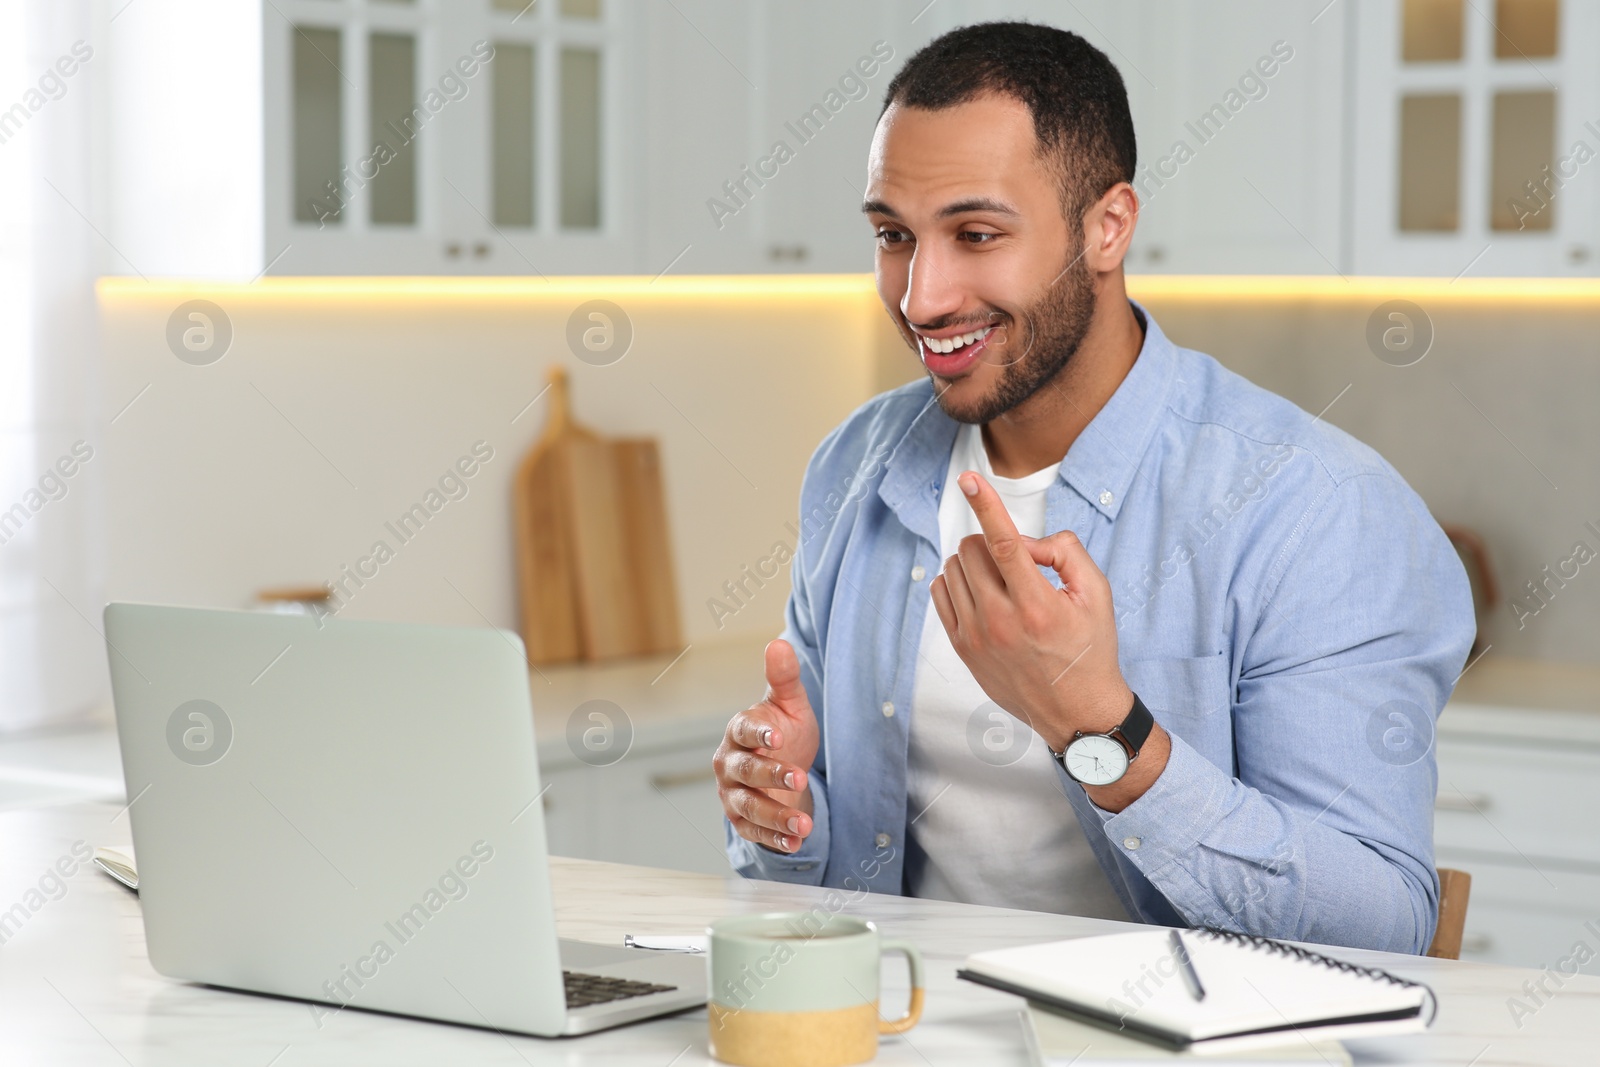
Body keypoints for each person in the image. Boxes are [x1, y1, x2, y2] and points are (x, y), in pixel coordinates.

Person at [711, 21, 1474, 954]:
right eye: (893, 236)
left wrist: (1096, 726)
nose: (921, 297)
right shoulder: (856, 466)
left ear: (1107, 226)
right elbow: (822, 890)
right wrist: (782, 815)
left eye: (977, 233)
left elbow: (1384, 926)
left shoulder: (1315, 509)